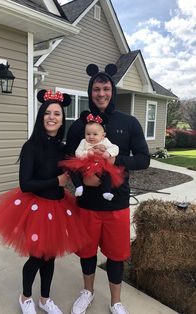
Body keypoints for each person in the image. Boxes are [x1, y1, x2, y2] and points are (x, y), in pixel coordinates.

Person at [0, 89, 90, 314]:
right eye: (48, 113)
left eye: (57, 114)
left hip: (59, 207)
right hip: (37, 208)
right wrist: (57, 180)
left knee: (50, 256)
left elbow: (76, 170)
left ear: (63, 120)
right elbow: (26, 184)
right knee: (36, 257)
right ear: (41, 116)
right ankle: (26, 297)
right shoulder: (31, 146)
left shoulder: (63, 149)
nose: (52, 117)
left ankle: (44, 299)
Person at [65, 64, 150, 314]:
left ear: (112, 90)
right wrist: (82, 178)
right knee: (87, 252)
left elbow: (143, 159)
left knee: (116, 255)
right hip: (88, 204)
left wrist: (117, 160)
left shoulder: (129, 122)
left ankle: (115, 301)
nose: (101, 93)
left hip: (117, 202)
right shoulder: (79, 125)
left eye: (105, 88)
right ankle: (87, 292)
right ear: (90, 92)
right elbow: (70, 158)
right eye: (96, 89)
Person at [60, 110, 124, 201]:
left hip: (99, 165)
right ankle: (78, 186)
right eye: (88, 134)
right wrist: (87, 153)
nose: (91, 137)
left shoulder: (105, 141)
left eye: (95, 134)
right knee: (73, 170)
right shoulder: (83, 142)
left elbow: (115, 148)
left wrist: (108, 153)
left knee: (107, 174)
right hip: (85, 164)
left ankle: (106, 192)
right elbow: (77, 153)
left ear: (103, 135)